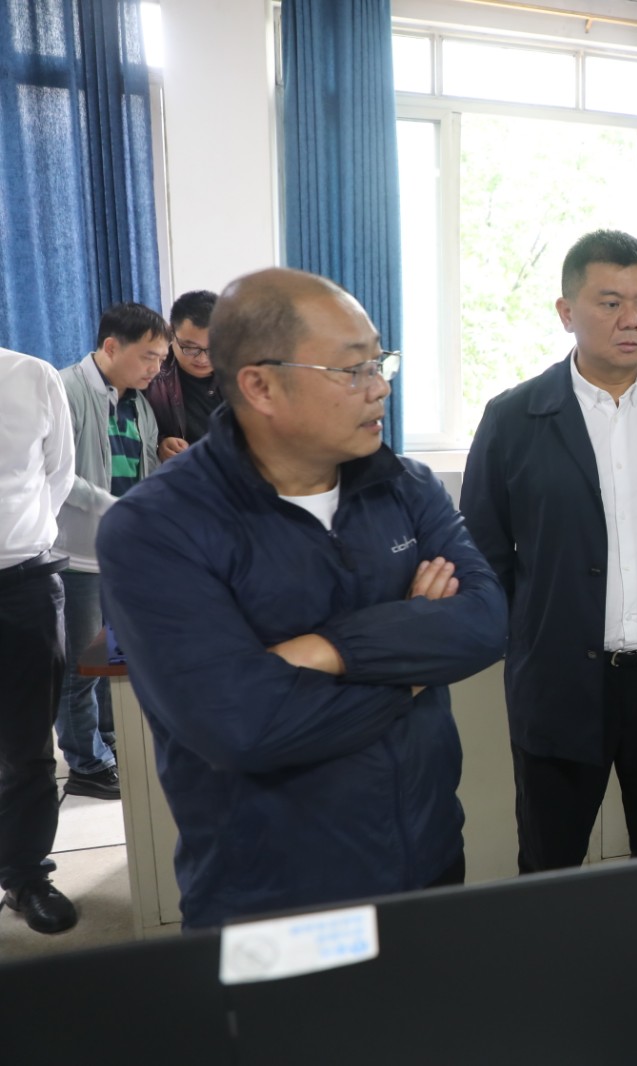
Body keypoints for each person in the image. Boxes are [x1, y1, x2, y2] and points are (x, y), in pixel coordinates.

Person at [96, 268, 506, 928]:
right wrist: (413, 669)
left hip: (427, 857)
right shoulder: (156, 527)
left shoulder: (405, 486)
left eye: (380, 361)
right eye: (352, 369)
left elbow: (485, 622)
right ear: (260, 385)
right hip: (274, 895)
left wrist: (325, 650)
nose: (380, 386)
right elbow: (244, 727)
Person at [461, 230, 637, 873]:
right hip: (559, 682)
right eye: (610, 303)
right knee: (550, 868)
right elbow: (484, 554)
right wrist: (530, 635)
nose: (632, 319)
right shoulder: (513, 418)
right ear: (566, 312)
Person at [54, 303, 168, 801]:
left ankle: (109, 738)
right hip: (75, 554)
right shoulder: (64, 390)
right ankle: (85, 762)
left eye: (161, 359)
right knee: (80, 667)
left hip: (122, 555)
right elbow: (56, 474)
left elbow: (145, 469)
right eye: (148, 357)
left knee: (113, 659)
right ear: (111, 347)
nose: (156, 369)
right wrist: (115, 508)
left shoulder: (139, 404)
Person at [0, 348, 78, 934]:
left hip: (22, 584)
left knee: (27, 746)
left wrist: (16, 539)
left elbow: (59, 474)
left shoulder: (29, 376)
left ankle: (26, 877)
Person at [145, 289, 222, 458]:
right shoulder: (150, 377)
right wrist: (159, 445)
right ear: (171, 333)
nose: (202, 359)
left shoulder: (242, 374)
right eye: (191, 348)